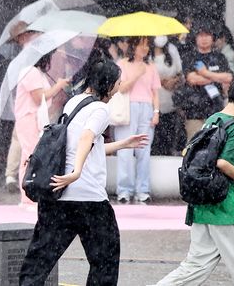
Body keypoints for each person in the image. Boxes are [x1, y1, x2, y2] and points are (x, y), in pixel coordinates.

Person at [19, 56, 148, 285]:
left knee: (39, 261)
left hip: (57, 195)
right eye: (118, 83)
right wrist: (77, 171)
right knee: (104, 262)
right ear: (107, 84)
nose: (119, 88)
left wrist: (123, 144)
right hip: (89, 200)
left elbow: (84, 144)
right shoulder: (100, 109)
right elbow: (87, 137)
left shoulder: (74, 102)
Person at [151, 79, 234, 286]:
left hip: (202, 206)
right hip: (226, 208)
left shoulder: (213, 119)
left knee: (194, 268)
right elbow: (223, 163)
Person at [14, 52, 70, 209]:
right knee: (29, 155)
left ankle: (31, 195)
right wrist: (58, 86)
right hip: (28, 118)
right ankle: (26, 198)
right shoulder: (30, 72)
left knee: (34, 155)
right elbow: (39, 98)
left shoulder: (38, 73)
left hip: (36, 119)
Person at [114, 37, 161, 203]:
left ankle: (142, 189)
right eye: (141, 44)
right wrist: (136, 74)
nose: (145, 48)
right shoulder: (123, 64)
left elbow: (155, 93)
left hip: (146, 108)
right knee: (125, 150)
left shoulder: (151, 67)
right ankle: (124, 190)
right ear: (133, 46)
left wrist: (156, 112)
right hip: (128, 107)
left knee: (144, 150)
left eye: (147, 45)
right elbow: (122, 88)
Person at [175, 21, 233, 141]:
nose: (204, 39)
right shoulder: (190, 57)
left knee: (214, 146)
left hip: (216, 110)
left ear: (213, 38)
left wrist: (205, 73)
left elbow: (228, 77)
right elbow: (192, 79)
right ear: (195, 37)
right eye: (200, 35)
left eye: (207, 35)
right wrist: (216, 77)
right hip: (194, 111)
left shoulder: (220, 57)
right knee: (195, 146)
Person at [4, 21, 41, 192]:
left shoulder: (30, 52)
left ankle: (13, 176)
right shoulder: (35, 50)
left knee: (23, 144)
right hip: (29, 106)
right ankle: (20, 179)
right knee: (26, 146)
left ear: (23, 35)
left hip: (27, 106)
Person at [150, 35, 184, 156]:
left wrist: (173, 82)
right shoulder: (146, 50)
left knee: (167, 138)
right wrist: (161, 82)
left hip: (169, 103)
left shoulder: (172, 49)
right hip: (151, 104)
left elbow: (180, 74)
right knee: (152, 140)